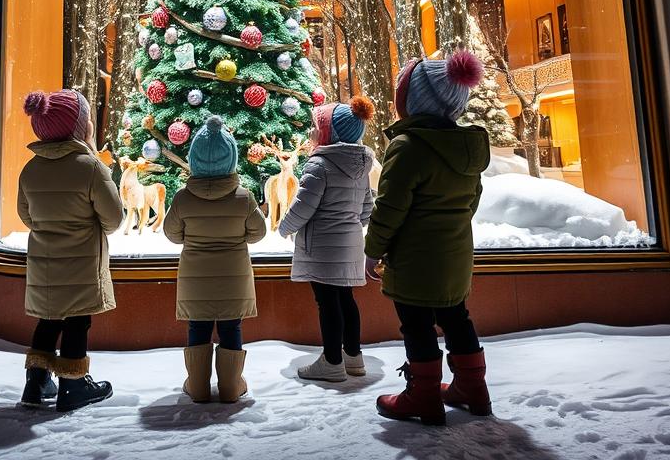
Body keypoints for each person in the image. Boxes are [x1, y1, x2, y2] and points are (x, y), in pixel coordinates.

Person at [365, 50, 490, 426]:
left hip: (416, 260)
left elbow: (389, 208)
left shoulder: (407, 147)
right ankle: (473, 388)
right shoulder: (466, 149)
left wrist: (373, 251)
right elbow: (472, 202)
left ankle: (423, 396)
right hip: (455, 257)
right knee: (457, 317)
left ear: (415, 102)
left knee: (416, 325)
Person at [17, 89, 121, 412]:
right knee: (77, 322)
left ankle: (35, 383)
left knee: (48, 321)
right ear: (79, 128)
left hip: (44, 265)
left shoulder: (30, 170)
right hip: (80, 267)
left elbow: (26, 216)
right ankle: (73, 385)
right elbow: (114, 217)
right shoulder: (89, 167)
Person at [163, 116, 265, 404]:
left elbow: (172, 234)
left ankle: (197, 385)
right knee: (231, 327)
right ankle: (232, 386)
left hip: (196, 281)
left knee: (198, 327)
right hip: (234, 279)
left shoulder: (183, 198)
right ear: (231, 158)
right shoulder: (243, 198)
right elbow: (258, 233)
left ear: (194, 159)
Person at [279, 96, 376, 383]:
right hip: (349, 245)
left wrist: (285, 227)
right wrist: (348, 227)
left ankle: (332, 361)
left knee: (327, 303)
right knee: (346, 299)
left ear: (328, 133)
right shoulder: (361, 166)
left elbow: (304, 206)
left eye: (315, 127)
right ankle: (353, 357)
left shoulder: (320, 165)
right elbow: (367, 209)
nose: (311, 133)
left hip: (322, 247)